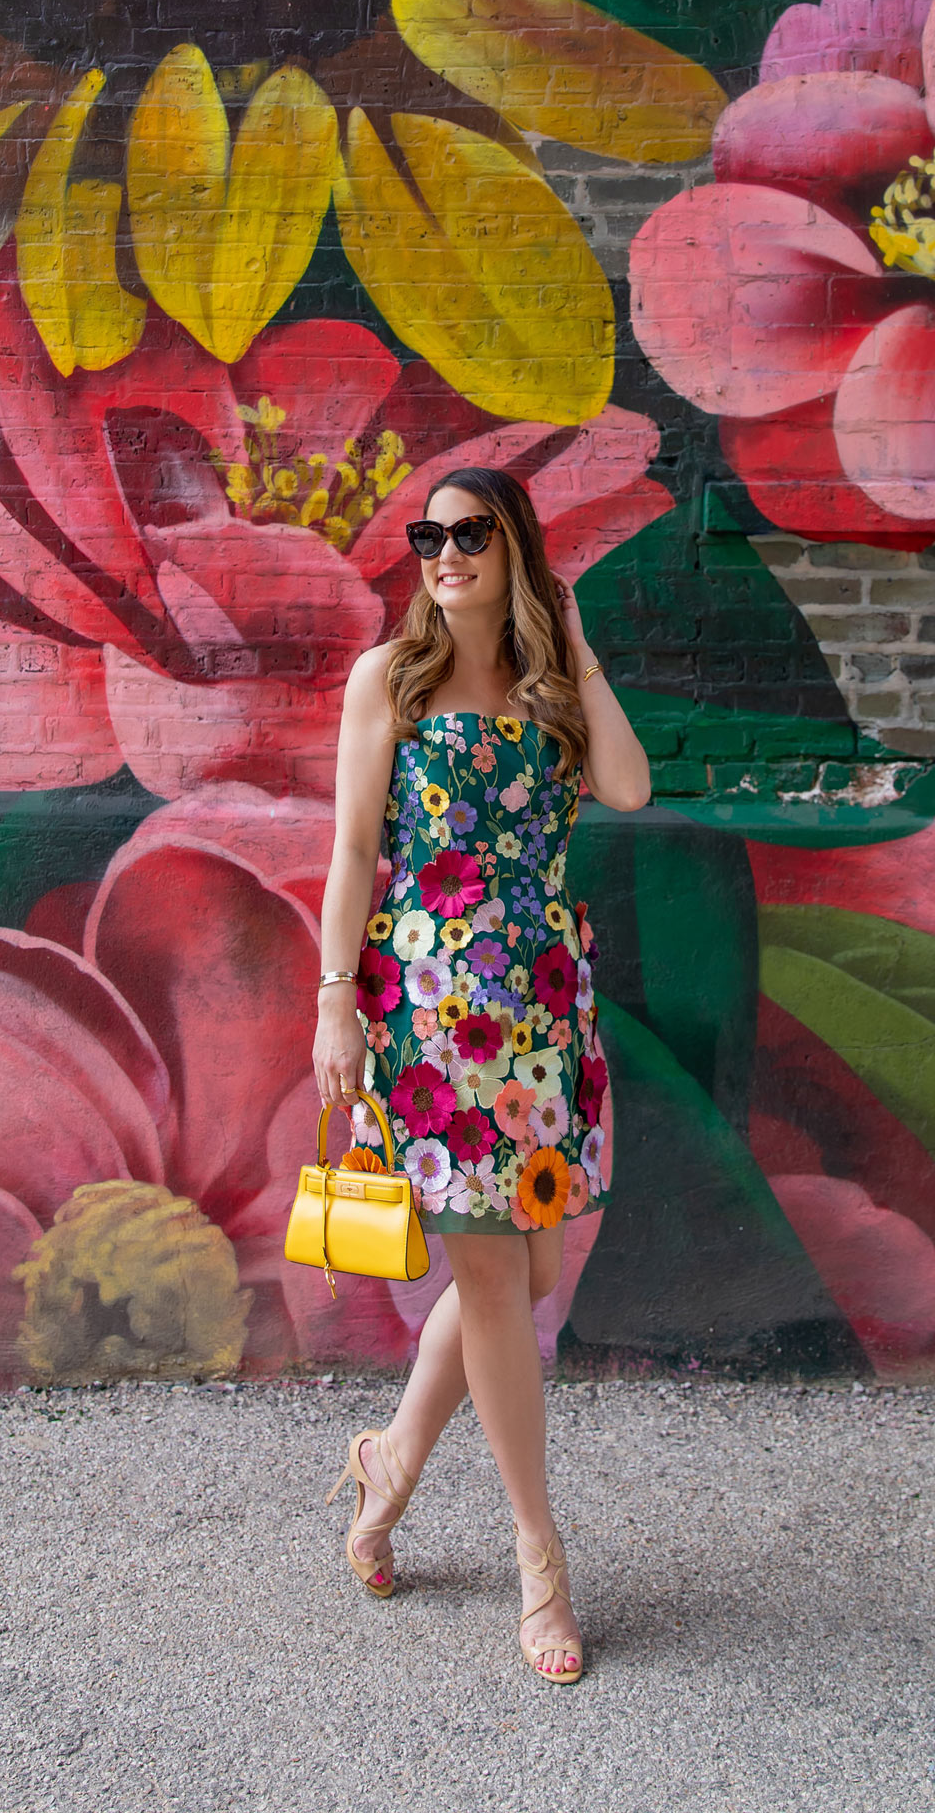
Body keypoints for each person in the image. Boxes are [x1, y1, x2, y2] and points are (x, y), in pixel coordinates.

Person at [311, 466, 651, 1685]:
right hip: (433, 1019)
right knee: (500, 1282)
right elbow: (353, 852)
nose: (445, 553)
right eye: (429, 536)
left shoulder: (551, 692)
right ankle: (539, 1558)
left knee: (533, 1264)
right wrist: (333, 1006)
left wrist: (581, 648)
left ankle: (392, 1457)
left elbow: (626, 786)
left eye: (471, 534)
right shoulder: (386, 684)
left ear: (513, 550)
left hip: (546, 1015)